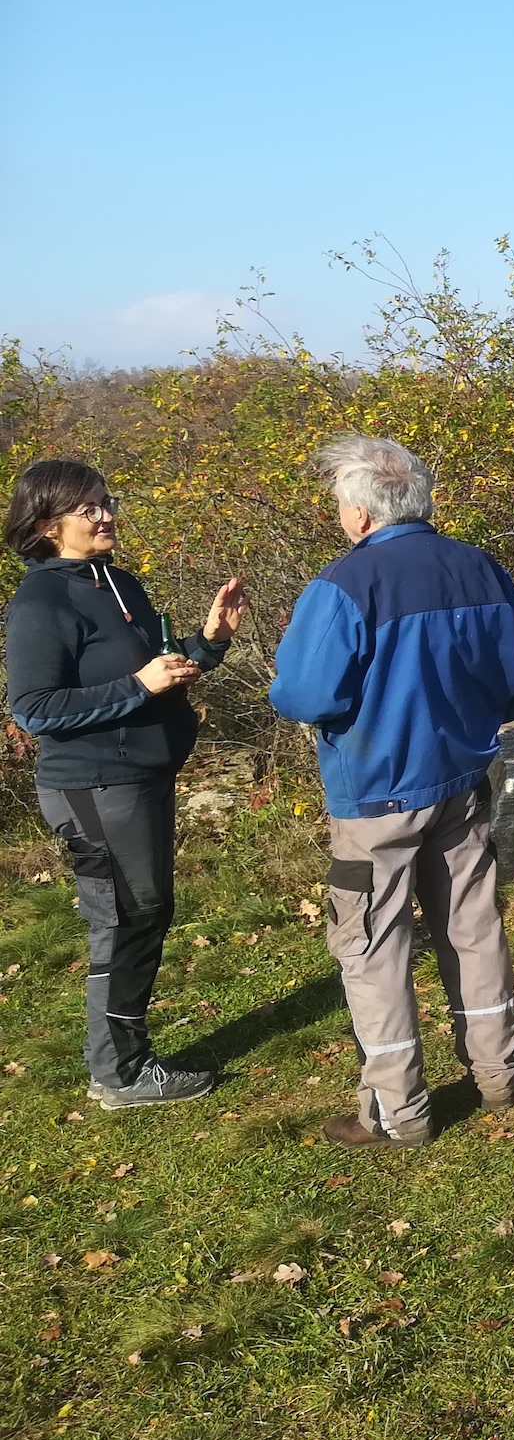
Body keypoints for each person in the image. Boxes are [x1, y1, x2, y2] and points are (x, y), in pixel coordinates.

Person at [271, 436, 514, 1147]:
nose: (338, 513)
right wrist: (478, 709)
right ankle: (500, 1070)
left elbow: (303, 694)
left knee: (372, 941)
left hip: (375, 794)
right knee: (471, 923)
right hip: (462, 778)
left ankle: (397, 1111)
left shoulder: (344, 584)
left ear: (363, 512)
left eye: (340, 500)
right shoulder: (478, 567)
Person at [4, 460, 246, 1110]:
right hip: (93, 786)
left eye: (107, 501)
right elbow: (33, 707)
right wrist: (137, 686)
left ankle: (124, 1060)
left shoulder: (119, 583)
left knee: (144, 912)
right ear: (47, 525)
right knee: (125, 917)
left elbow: (159, 672)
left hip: (141, 778)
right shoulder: (40, 603)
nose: (106, 514)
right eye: (90, 508)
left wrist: (209, 642)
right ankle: (118, 1072)